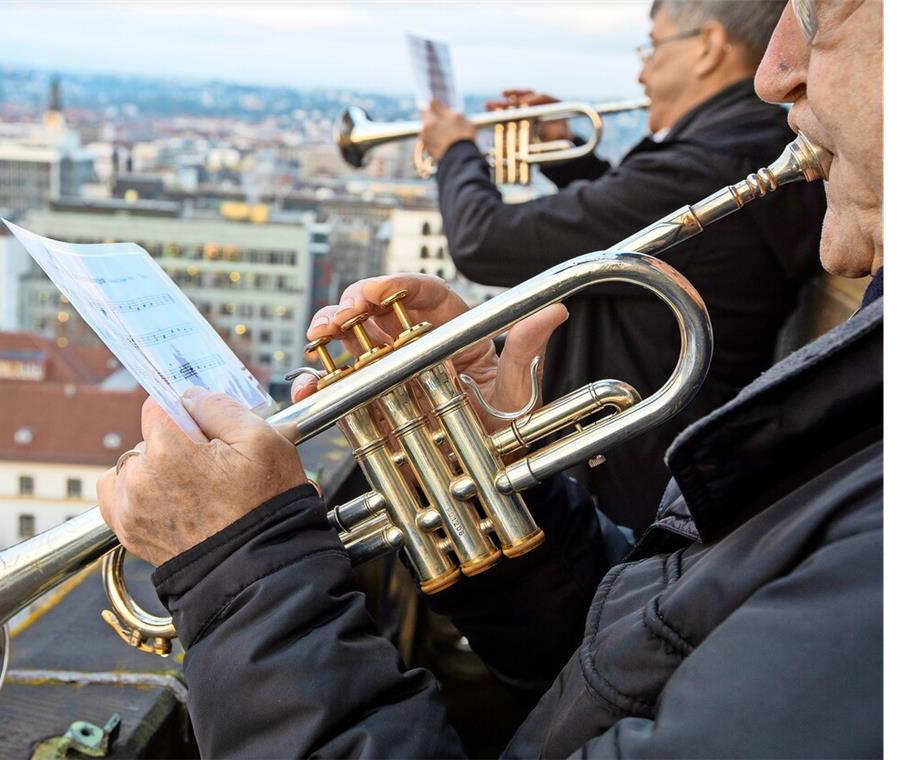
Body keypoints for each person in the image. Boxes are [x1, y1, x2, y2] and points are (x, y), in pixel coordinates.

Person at [98, 0, 883, 755]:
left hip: (631, 474)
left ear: (707, 45)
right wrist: (501, 498)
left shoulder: (722, 152)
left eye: (824, 10)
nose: (777, 72)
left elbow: (484, 238)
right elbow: (653, 658)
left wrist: (242, 578)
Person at [418, 0, 828, 530]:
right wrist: (571, 156)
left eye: (653, 47)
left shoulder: (709, 166)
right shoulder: (728, 150)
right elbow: (638, 230)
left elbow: (483, 240)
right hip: (644, 462)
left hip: (626, 484)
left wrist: (455, 152)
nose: (641, 71)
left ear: (707, 47)